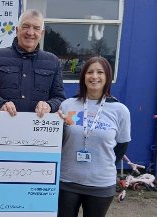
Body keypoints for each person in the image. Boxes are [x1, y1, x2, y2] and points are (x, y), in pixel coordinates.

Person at [57, 56, 131, 217]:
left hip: (101, 184)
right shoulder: (68, 105)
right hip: (67, 181)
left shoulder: (120, 110)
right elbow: (60, 140)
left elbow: (121, 147)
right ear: (83, 76)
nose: (94, 76)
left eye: (100, 72)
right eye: (90, 72)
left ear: (107, 77)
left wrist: (101, 165)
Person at [0, 9, 65, 117]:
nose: (30, 32)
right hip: (3, 125)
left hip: (37, 129)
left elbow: (59, 97)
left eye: (36, 28)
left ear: (42, 33)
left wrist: (49, 105)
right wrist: (1, 104)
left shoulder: (53, 61)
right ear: (17, 30)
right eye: (26, 26)